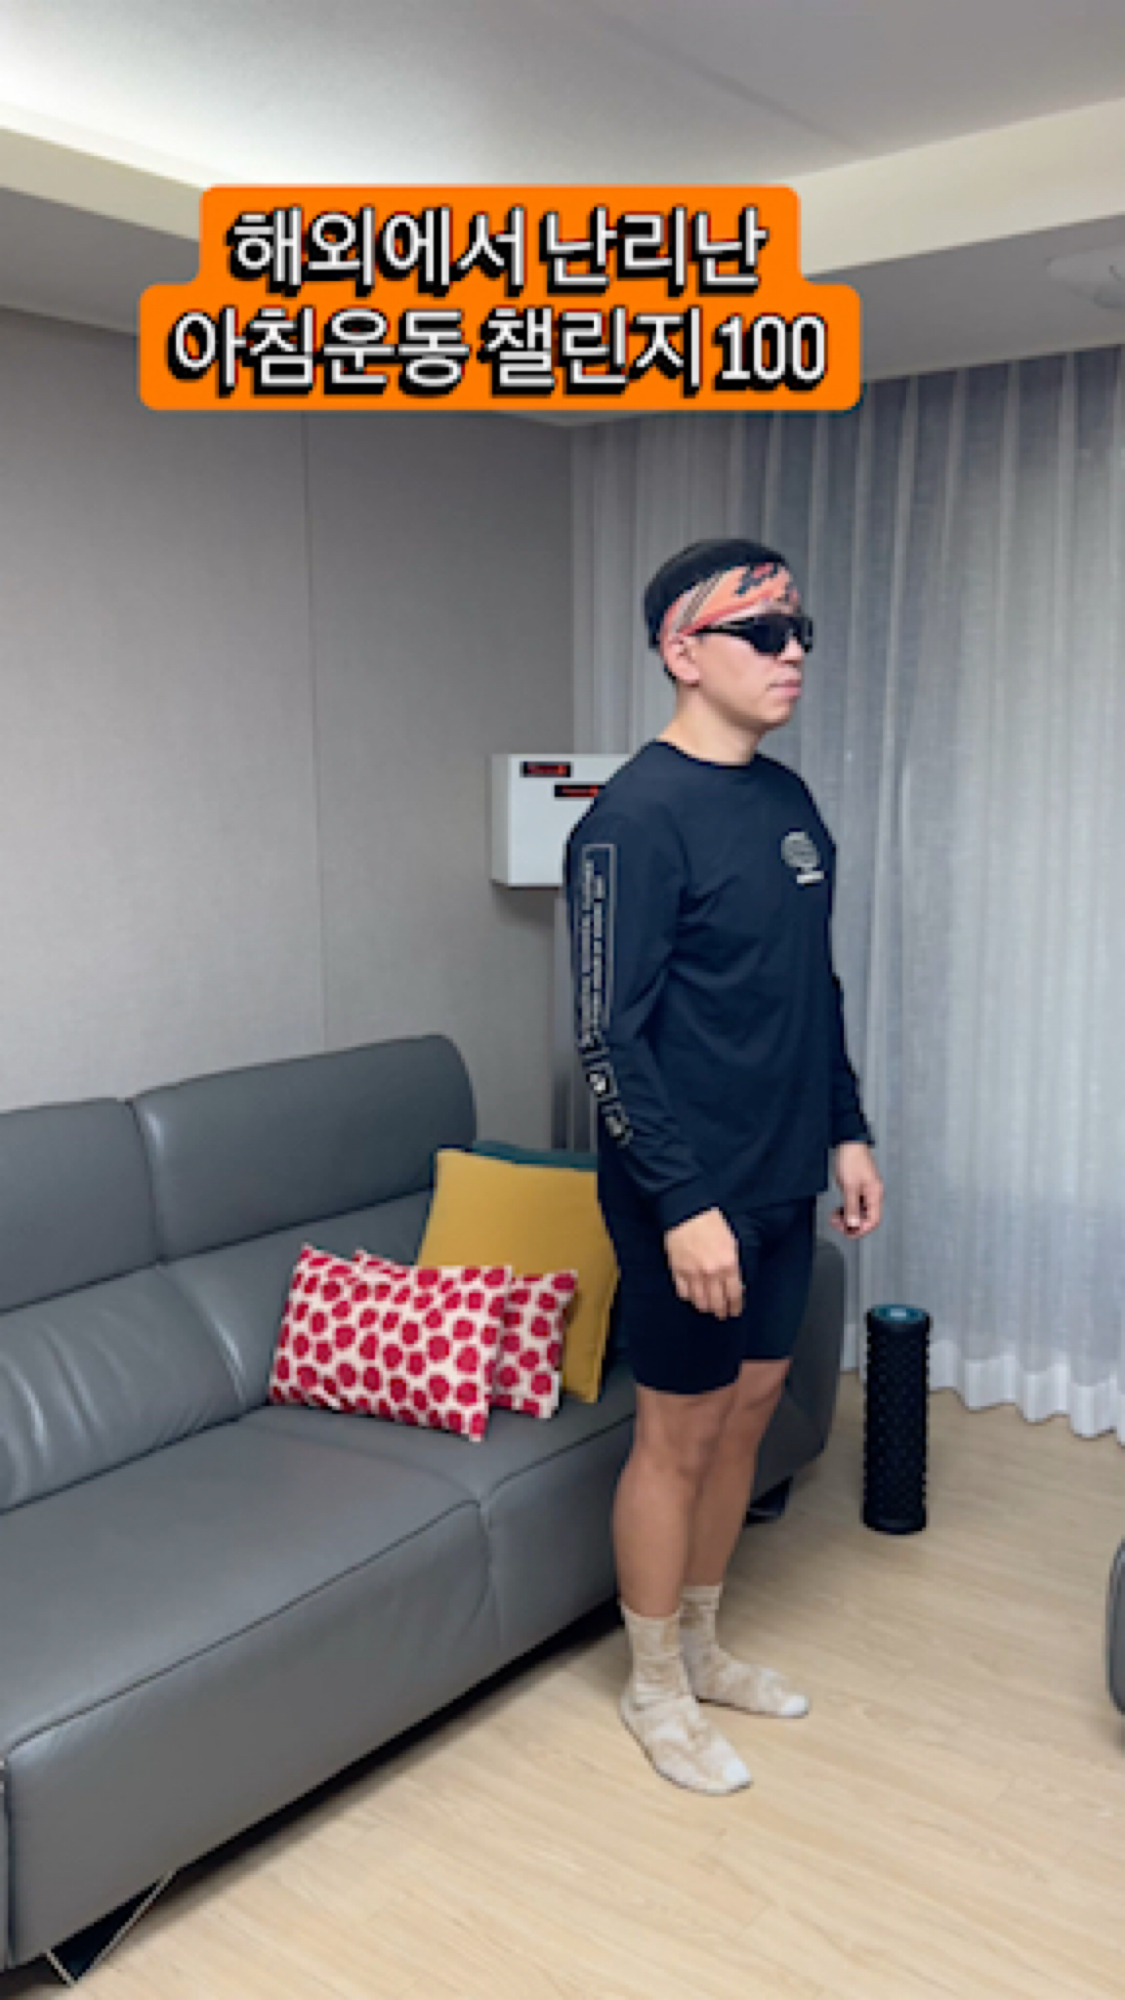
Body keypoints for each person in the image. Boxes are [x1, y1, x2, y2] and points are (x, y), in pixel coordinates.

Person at [564, 536, 883, 1796]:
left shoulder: (790, 803)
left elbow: (813, 989)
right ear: (683, 651)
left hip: (781, 1171)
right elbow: (607, 1035)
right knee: (678, 1431)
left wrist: (846, 1127)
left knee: (752, 1408)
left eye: (801, 630)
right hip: (682, 1192)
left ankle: (699, 1642)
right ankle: (651, 1683)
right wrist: (682, 1201)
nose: (792, 651)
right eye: (762, 632)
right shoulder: (631, 821)